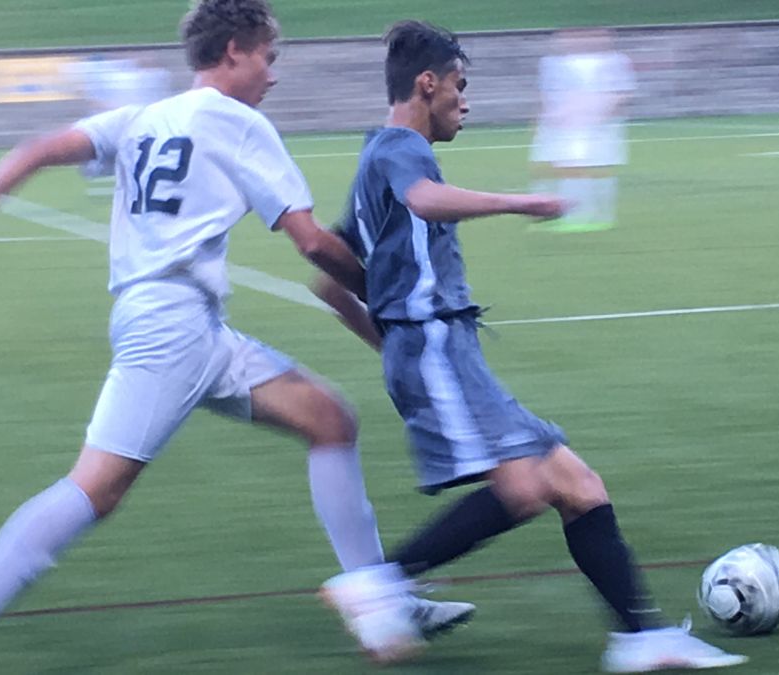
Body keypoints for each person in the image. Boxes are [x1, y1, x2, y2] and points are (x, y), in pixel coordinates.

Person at [0, 3, 471, 673]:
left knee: (329, 418)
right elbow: (312, 242)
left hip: (187, 324)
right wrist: (388, 295)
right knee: (96, 487)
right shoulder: (240, 123)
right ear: (234, 51)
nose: (273, 74)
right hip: (171, 329)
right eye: (268, 57)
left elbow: (37, 150)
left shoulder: (145, 116)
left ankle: (379, 598)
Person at [313, 21, 747, 673]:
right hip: (437, 346)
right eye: (459, 85)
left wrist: (393, 342)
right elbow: (424, 201)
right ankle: (380, 583)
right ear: (426, 84)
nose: (466, 101)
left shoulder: (374, 155)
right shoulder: (402, 149)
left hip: (437, 349)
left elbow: (331, 282)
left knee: (577, 483)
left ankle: (642, 638)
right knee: (523, 488)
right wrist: (517, 202)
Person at [530, 28, 636, 233]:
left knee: (587, 168)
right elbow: (547, 93)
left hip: (591, 126)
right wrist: (545, 117)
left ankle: (590, 214)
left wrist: (599, 116)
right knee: (558, 167)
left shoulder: (613, 61)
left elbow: (622, 93)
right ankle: (563, 212)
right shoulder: (553, 63)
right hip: (561, 124)